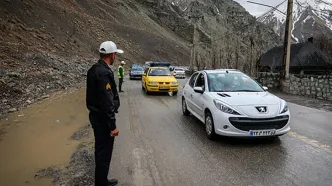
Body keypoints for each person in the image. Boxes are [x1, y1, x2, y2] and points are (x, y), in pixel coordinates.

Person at [86, 41, 123, 186]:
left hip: (97, 117)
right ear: (112, 55)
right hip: (103, 121)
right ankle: (101, 183)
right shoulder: (103, 73)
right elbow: (107, 102)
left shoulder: (94, 69)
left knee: (101, 151)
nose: (116, 58)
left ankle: (102, 180)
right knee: (104, 153)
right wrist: (113, 126)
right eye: (115, 55)